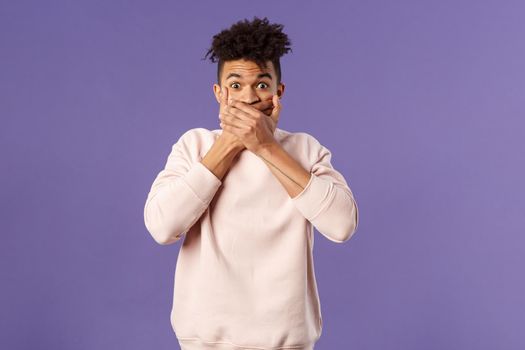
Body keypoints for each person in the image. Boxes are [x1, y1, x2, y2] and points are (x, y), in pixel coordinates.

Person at [143, 16, 359, 350]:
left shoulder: (305, 149)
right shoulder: (194, 146)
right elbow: (162, 226)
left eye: (261, 84)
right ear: (219, 93)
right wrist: (230, 143)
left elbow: (342, 224)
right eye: (235, 85)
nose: (248, 97)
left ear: (278, 91)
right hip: (204, 343)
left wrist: (266, 147)